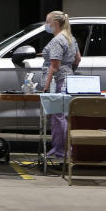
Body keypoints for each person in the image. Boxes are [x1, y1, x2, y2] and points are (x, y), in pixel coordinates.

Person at [42, 10, 81, 158]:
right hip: (68, 80)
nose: (46, 25)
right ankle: (64, 150)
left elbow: (55, 66)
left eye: (48, 22)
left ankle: (60, 151)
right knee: (63, 117)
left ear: (56, 24)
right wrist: (70, 71)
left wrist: (46, 86)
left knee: (58, 118)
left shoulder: (57, 40)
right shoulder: (71, 38)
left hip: (57, 82)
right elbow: (77, 59)